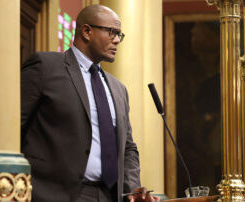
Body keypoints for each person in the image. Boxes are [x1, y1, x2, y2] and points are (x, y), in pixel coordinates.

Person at [21, 4, 159, 202]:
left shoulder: (118, 89)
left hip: (109, 196)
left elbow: (128, 147)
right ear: (86, 31)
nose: (118, 40)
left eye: (120, 35)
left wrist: (132, 189)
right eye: (112, 32)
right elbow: (12, 129)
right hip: (52, 194)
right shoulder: (46, 67)